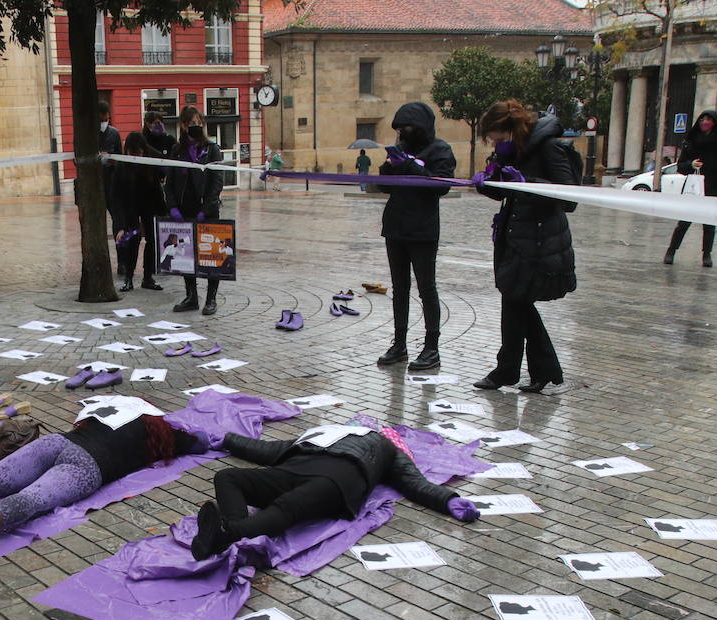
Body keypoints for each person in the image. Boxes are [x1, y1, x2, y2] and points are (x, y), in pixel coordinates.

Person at [0, 401, 203, 561]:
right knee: (35, 498)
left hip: (55, 443)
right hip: (90, 467)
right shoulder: (162, 432)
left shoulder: (109, 408)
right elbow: (199, 443)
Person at [190, 423, 481, 560]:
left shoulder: (386, 448)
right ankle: (232, 528)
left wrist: (448, 499)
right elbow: (270, 448)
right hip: (295, 467)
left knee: (288, 507)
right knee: (228, 476)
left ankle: (227, 536)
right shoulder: (323, 432)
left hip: (337, 477)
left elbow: (413, 481)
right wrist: (227, 439)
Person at [470, 100, 576, 395]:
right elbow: (509, 192)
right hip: (515, 237)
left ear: (512, 128)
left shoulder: (548, 147)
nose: (495, 144)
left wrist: (527, 181)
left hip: (540, 242)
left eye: (498, 138)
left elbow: (568, 198)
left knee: (515, 302)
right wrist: (488, 183)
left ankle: (512, 371)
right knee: (516, 303)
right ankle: (538, 371)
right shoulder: (513, 150)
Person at [374, 102, 457, 372]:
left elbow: (441, 186)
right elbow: (383, 185)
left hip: (422, 229)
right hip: (396, 226)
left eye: (408, 127)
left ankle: (431, 347)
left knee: (426, 289)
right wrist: (389, 166)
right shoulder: (401, 150)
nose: (403, 132)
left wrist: (412, 166)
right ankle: (399, 343)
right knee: (400, 288)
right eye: (399, 129)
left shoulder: (440, 150)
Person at [664, 110, 717, 267]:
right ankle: (671, 250)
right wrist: (691, 164)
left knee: (709, 223)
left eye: (709, 119)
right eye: (702, 119)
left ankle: (706, 254)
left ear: (714, 122)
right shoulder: (691, 139)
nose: (705, 122)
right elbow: (681, 165)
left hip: (714, 186)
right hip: (695, 186)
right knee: (684, 222)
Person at [166, 107, 225, 314]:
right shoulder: (177, 150)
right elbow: (169, 182)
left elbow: (217, 182)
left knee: (211, 255)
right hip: (184, 210)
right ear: (183, 125)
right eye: (192, 123)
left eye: (199, 123)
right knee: (185, 254)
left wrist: (206, 209)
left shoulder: (211, 148)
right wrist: (172, 206)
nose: (196, 127)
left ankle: (211, 299)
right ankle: (191, 296)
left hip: (206, 211)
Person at [112, 131, 167, 292]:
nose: (136, 155)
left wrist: (164, 211)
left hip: (148, 206)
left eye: (139, 152)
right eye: (132, 152)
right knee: (132, 241)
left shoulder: (149, 163)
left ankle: (148, 277)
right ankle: (129, 278)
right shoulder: (121, 166)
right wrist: (120, 225)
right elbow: (117, 198)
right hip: (130, 208)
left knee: (152, 240)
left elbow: (157, 188)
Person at [100, 100, 124, 272]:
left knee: (118, 222)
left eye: (105, 118)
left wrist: (112, 160)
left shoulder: (114, 133)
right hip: (95, 186)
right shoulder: (87, 134)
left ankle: (122, 261)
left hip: (113, 185)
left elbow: (121, 159)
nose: (103, 121)